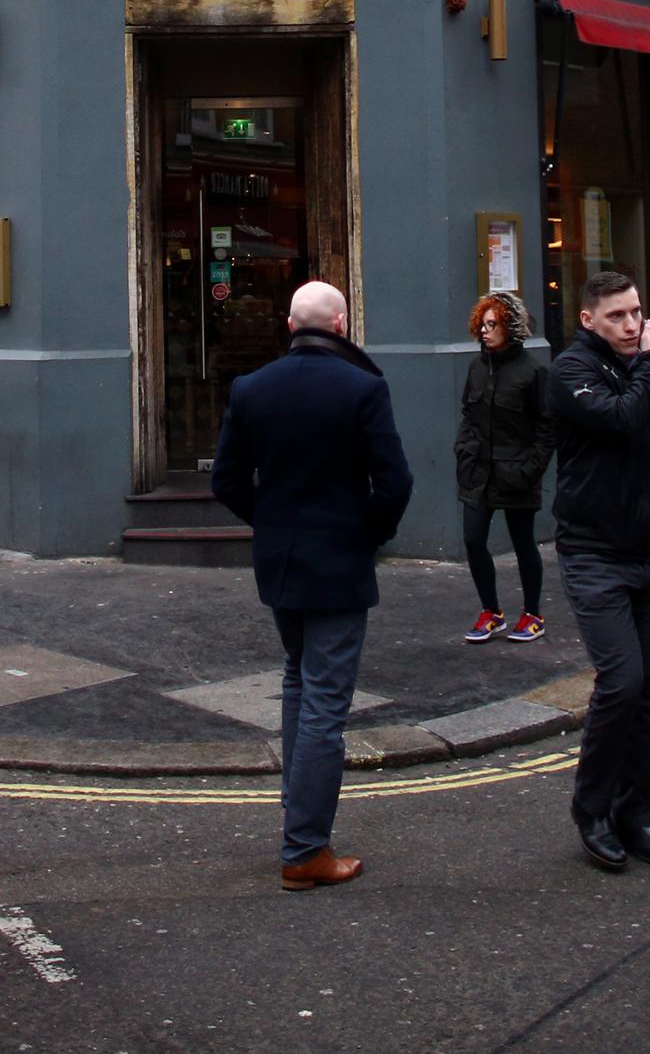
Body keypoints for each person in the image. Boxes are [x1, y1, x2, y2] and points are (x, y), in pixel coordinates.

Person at [211, 280, 414, 891]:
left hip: (280, 563)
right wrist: (365, 535)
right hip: (338, 564)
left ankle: (298, 816)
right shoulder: (363, 387)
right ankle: (304, 851)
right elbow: (396, 483)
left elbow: (226, 480)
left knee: (300, 682)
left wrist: (271, 524)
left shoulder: (252, 388)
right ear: (343, 325)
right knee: (325, 702)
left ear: (288, 323)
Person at [550, 270, 650, 875]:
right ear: (588, 320)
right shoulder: (569, 372)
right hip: (595, 555)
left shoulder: (645, 367)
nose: (633, 325)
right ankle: (593, 812)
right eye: (617, 316)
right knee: (623, 681)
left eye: (637, 313)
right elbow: (621, 420)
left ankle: (636, 817)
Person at [454, 291, 552, 642]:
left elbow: (546, 427)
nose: (485, 331)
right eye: (482, 324)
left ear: (510, 327)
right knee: (473, 539)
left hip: (517, 474)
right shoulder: (476, 368)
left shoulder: (533, 371)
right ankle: (491, 612)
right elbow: (468, 413)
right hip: (478, 472)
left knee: (523, 543)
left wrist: (530, 470)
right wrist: (464, 449)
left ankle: (532, 614)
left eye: (492, 324)